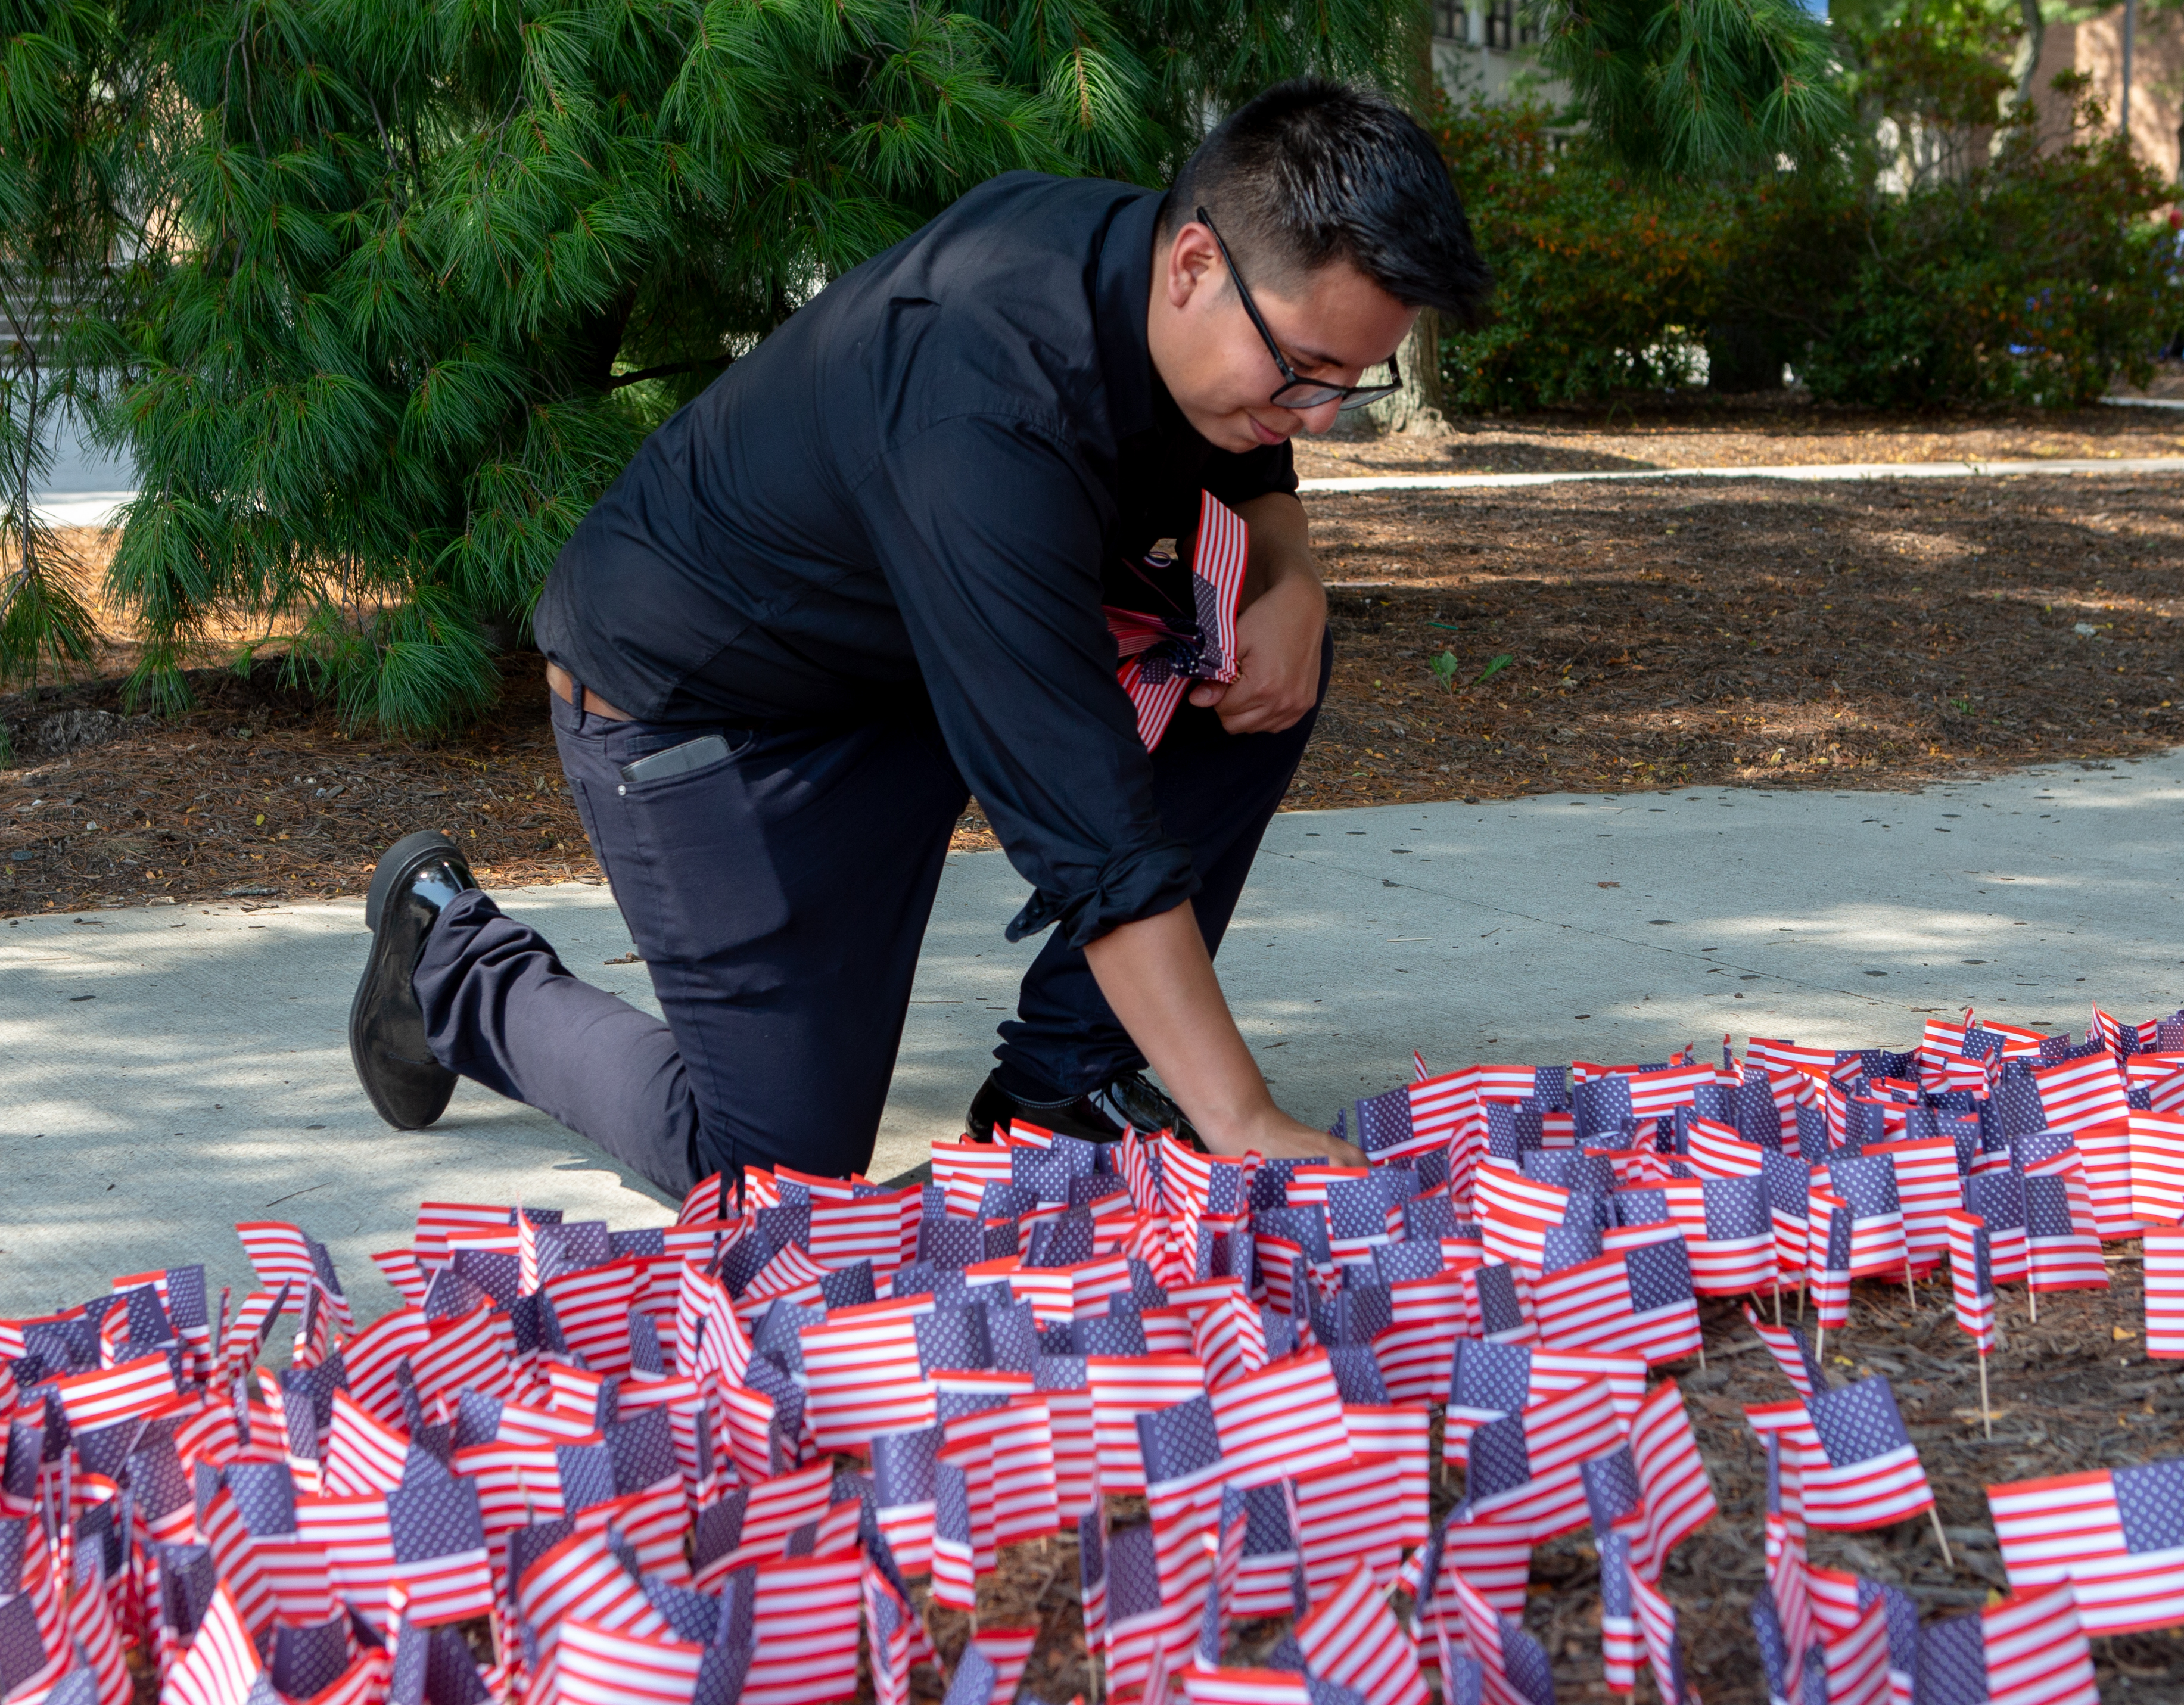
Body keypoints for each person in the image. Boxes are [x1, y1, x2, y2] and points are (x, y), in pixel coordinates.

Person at [346, 78, 1490, 1202]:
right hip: (707, 718)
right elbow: (1084, 822)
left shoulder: (1157, 278)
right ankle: (451, 959)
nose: (1320, 414)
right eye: (1302, 371)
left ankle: (1065, 1088)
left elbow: (1251, 459)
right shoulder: (986, 408)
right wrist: (1243, 1122)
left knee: (1248, 633)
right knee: (769, 1180)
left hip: (899, 661)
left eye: (1352, 379)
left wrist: (1291, 573)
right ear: (1196, 264)